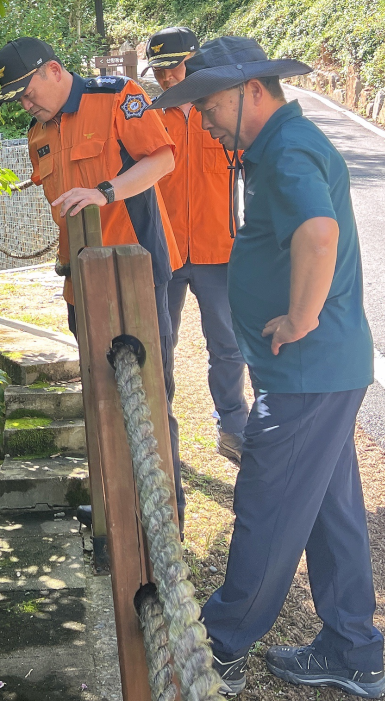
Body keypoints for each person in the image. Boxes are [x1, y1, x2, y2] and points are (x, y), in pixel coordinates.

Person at [148, 37, 385, 699]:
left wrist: (300, 318)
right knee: (331, 512)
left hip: (307, 373)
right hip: (319, 373)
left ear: (251, 91)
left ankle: (220, 647)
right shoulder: (280, 148)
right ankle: (353, 650)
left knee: (266, 504)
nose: (204, 121)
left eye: (208, 106)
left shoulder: (286, 152)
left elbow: (318, 233)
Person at [0, 37, 188, 526]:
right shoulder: (38, 133)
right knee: (101, 397)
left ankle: (166, 518)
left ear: (54, 71)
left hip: (136, 275)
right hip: (81, 284)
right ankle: (113, 511)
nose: (25, 103)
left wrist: (106, 191)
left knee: (149, 394)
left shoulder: (116, 96)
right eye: (17, 98)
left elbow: (162, 160)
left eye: (27, 91)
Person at [142, 27, 248, 464]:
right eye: (159, 71)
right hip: (163, 251)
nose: (167, 77)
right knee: (158, 343)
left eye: (174, 67)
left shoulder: (221, 113)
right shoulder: (149, 118)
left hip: (217, 250)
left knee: (228, 344)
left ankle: (233, 426)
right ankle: (159, 427)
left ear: (195, 61)